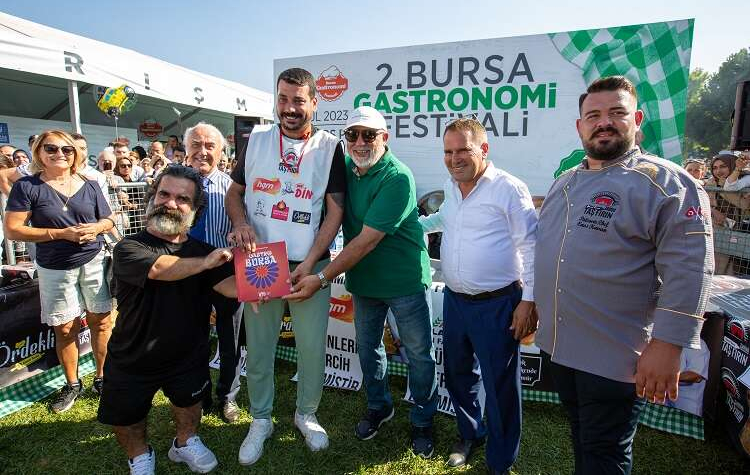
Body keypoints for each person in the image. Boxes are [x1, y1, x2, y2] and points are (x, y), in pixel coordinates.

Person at [534, 76, 713, 475]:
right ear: (579, 126)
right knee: (583, 438)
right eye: (593, 116)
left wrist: (668, 344)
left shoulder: (666, 183)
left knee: (605, 453)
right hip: (560, 348)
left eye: (616, 113)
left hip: (615, 355)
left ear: (637, 119)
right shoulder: (565, 183)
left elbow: (690, 268)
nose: (604, 122)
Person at [286, 106, 437, 458]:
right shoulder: (346, 169)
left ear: (384, 137)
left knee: (418, 354)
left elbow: (367, 240)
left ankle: (422, 420)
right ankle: (379, 406)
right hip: (365, 282)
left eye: (368, 135)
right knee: (368, 349)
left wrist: (320, 277)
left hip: (405, 281)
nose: (359, 142)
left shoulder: (398, 177)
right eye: (352, 134)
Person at [225, 67, 346, 465]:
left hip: (310, 265)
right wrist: (240, 223)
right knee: (259, 348)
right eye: (283, 99)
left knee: (311, 349)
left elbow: (335, 211)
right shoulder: (257, 138)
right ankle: (260, 418)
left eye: (298, 100)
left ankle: (305, 414)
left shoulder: (330, 146)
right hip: (261, 261)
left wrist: (310, 262)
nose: (290, 108)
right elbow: (235, 192)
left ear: (314, 102)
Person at [97, 164, 237, 475]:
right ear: (152, 197)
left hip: (187, 354)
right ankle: (139, 455)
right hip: (133, 354)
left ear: (195, 209)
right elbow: (161, 269)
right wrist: (206, 263)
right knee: (127, 416)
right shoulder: (129, 247)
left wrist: (270, 285)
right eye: (164, 194)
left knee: (190, 404)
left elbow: (230, 287)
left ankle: (185, 442)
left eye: (182, 199)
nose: (170, 203)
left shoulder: (204, 252)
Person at [418, 117, 537, 473]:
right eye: (448, 151)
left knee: (500, 386)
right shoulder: (452, 185)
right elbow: (444, 219)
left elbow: (531, 246)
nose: (454, 159)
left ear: (483, 149)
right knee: (458, 374)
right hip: (456, 301)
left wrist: (529, 301)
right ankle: (470, 433)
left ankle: (500, 461)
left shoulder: (509, 188)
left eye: (463, 150)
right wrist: (407, 225)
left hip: (498, 303)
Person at [4, 130, 115, 412]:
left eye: (67, 149)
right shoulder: (27, 186)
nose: (60, 154)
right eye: (51, 149)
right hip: (54, 268)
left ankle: (103, 378)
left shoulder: (89, 184)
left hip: (93, 261)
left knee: (102, 322)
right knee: (65, 328)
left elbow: (109, 220)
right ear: (39, 152)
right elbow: (13, 229)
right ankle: (72, 384)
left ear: (75, 154)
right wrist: (61, 234)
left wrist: (97, 227)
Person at [184, 122, 243, 423]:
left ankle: (228, 395)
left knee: (229, 338)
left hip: (226, 271)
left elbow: (244, 226)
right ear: (186, 148)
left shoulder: (234, 188)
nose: (202, 152)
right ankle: (200, 394)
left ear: (222, 151)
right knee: (192, 337)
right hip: (187, 272)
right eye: (196, 144)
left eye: (210, 146)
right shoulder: (175, 184)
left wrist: (237, 237)